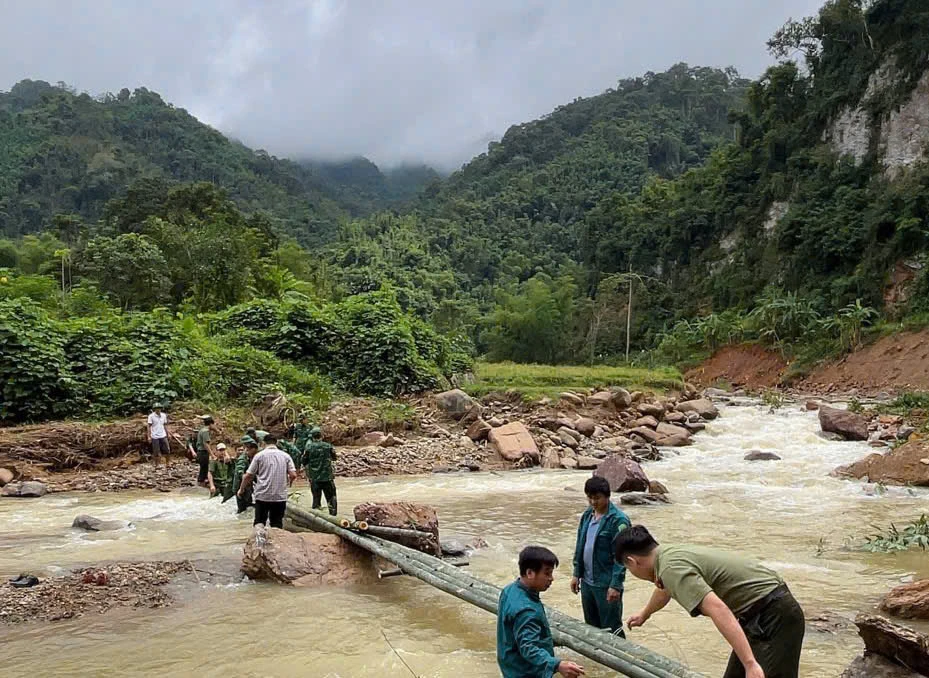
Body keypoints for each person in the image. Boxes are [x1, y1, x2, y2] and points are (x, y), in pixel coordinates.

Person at [615, 525, 804, 678]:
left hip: (775, 615)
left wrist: (750, 663)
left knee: (756, 672)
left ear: (632, 561)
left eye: (628, 568)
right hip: (759, 615)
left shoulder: (669, 568)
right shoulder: (668, 554)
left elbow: (718, 609)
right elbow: (665, 589)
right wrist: (645, 614)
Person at [497, 545, 585, 678]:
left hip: (510, 667)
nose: (551, 578)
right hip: (526, 673)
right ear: (530, 573)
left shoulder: (509, 590)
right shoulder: (527, 611)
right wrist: (557, 665)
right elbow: (529, 648)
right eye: (547, 573)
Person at [570, 476, 631, 635]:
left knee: (612, 629)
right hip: (587, 583)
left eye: (597, 498)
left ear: (607, 496)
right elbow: (580, 545)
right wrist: (576, 574)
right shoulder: (587, 515)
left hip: (606, 584)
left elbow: (622, 557)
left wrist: (615, 585)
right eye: (589, 497)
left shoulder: (618, 521)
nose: (593, 502)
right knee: (591, 629)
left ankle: (620, 652)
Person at [237, 432, 297, 528]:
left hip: (262, 495)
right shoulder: (286, 456)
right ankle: (276, 537)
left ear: (264, 443)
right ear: (276, 442)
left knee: (259, 522)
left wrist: (241, 489)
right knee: (277, 523)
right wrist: (288, 483)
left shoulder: (259, 456)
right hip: (279, 496)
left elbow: (248, 476)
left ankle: (259, 537)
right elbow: (293, 475)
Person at [303, 426, 337, 515]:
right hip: (327, 477)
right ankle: (333, 517)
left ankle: (316, 518)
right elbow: (334, 458)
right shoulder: (328, 446)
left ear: (312, 437)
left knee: (316, 500)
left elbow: (304, 461)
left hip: (314, 478)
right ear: (322, 436)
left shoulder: (309, 447)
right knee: (331, 498)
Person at [227, 437, 259, 513]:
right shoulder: (242, 459)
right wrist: (245, 481)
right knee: (242, 510)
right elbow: (240, 472)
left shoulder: (250, 458)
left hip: (247, 487)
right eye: (253, 453)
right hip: (240, 486)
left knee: (249, 507)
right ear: (248, 450)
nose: (254, 455)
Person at [146, 403, 171, 467]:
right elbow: (149, 426)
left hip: (163, 435)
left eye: (159, 408)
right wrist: (149, 436)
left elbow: (165, 425)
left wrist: (168, 433)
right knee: (156, 451)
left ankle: (168, 463)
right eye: (156, 408)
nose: (158, 410)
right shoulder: (151, 416)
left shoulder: (163, 415)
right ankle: (157, 465)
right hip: (155, 436)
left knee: (167, 450)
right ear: (154, 409)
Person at [195, 415, 215, 487]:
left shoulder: (202, 430)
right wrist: (212, 454)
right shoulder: (205, 431)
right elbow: (206, 444)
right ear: (210, 424)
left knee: (203, 468)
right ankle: (201, 483)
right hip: (203, 452)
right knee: (204, 468)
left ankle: (202, 482)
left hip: (200, 451)